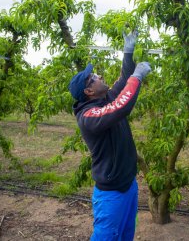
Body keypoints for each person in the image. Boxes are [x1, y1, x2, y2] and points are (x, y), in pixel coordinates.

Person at [68, 30, 151, 240]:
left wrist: (128, 52)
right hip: (111, 193)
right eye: (94, 77)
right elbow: (120, 107)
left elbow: (123, 80)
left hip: (128, 184)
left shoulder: (105, 99)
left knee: (125, 235)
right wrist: (137, 77)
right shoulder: (89, 115)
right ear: (88, 91)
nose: (100, 76)